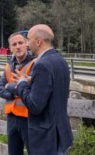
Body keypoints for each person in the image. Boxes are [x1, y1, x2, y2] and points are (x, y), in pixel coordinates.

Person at [13, 24, 73, 155]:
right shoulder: (60, 60)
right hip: (61, 133)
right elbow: (53, 89)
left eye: (28, 39)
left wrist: (22, 84)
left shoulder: (41, 65)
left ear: (38, 41)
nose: (27, 44)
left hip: (46, 138)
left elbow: (35, 105)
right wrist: (32, 81)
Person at [0, 32, 36, 155]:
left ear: (27, 44)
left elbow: (33, 88)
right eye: (14, 44)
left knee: (33, 151)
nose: (18, 46)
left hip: (28, 117)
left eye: (20, 43)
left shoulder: (35, 64)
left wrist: (10, 86)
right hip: (11, 118)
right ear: (11, 48)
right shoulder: (9, 66)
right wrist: (14, 94)